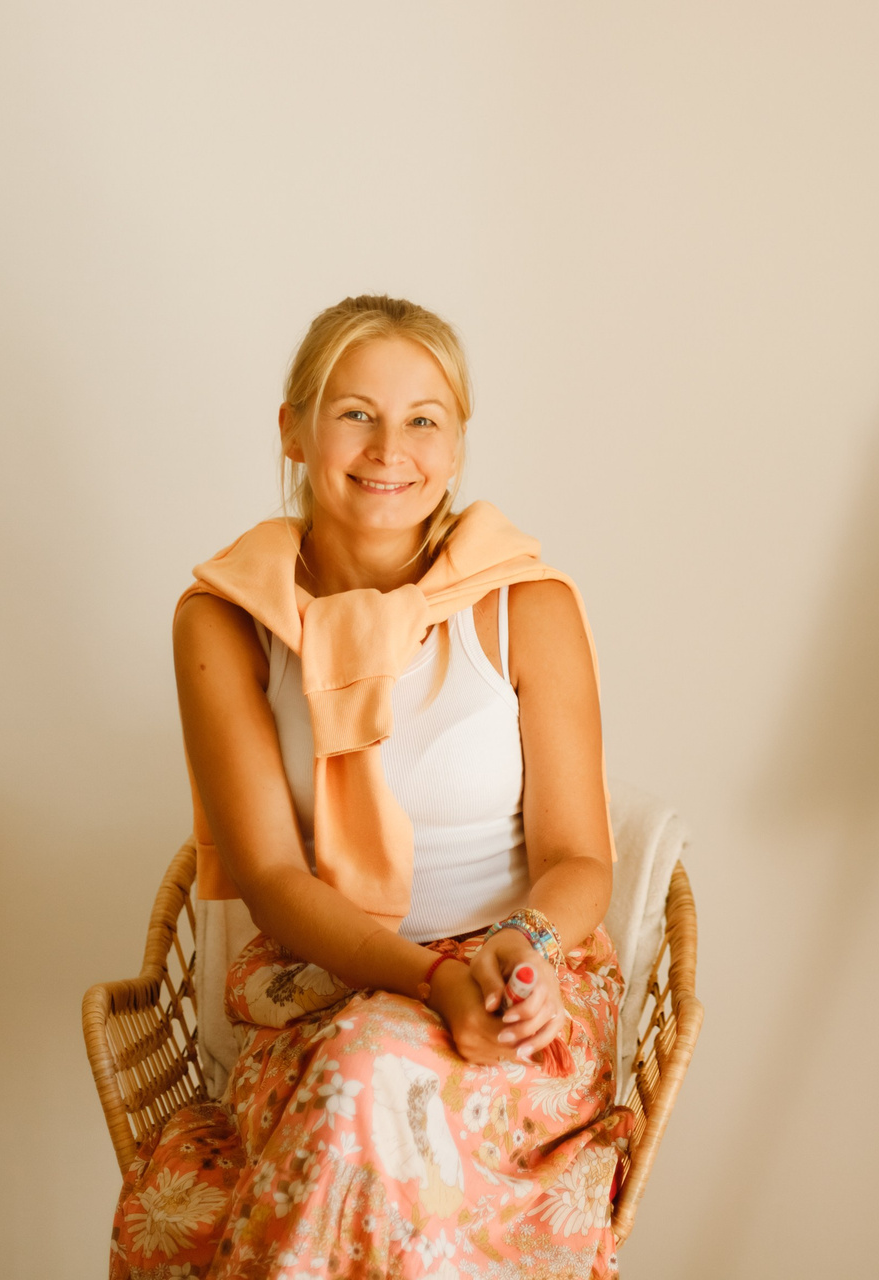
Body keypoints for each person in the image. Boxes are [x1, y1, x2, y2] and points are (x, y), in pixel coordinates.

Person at [111, 295, 633, 1280]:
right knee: (363, 1072)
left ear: (457, 443)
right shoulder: (226, 621)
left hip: (516, 979)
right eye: (356, 412)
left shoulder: (525, 604)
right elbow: (271, 875)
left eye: (423, 419)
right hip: (326, 982)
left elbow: (579, 857)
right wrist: (426, 981)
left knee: (371, 1086)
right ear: (294, 429)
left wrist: (524, 947)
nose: (391, 448)